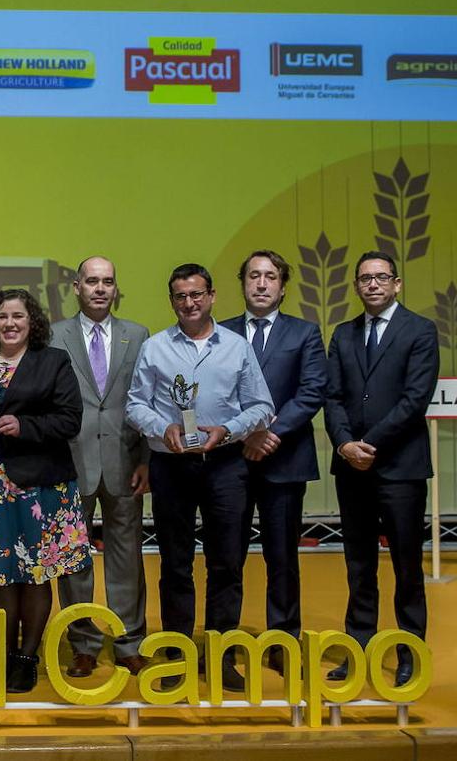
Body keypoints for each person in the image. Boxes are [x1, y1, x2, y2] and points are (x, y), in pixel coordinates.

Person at [126, 263, 273, 691]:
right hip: (171, 465)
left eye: (196, 294)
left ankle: (221, 654)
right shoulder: (155, 348)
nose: (189, 303)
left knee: (226, 562)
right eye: (180, 296)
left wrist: (228, 429)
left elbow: (262, 406)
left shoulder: (237, 347)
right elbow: (135, 405)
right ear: (171, 300)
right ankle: (177, 655)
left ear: (211, 297)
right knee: (175, 564)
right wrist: (162, 428)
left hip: (225, 465)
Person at [0, 288, 89, 694]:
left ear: (32, 322)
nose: (10, 324)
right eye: (2, 316)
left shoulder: (53, 361)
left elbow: (70, 420)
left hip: (40, 486)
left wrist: (25, 426)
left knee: (35, 574)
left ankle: (26, 659)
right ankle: (2, 657)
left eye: (18, 316)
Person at [325, 250, 438, 687]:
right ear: (356, 286)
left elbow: (415, 399)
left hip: (401, 468)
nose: (373, 284)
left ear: (397, 284)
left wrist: (367, 444)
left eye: (381, 277)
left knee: (407, 566)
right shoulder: (344, 333)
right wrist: (344, 444)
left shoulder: (420, 330)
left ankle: (410, 651)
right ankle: (359, 648)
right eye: (365, 278)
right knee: (359, 565)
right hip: (352, 468)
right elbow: (332, 397)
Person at [218, 251, 325, 674]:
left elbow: (311, 391)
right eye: (253, 276)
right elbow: (214, 393)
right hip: (230, 462)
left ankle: (283, 642)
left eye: (270, 276)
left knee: (282, 559)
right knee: (227, 558)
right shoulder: (220, 333)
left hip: (284, 460)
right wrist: (245, 433)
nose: (261, 284)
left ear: (282, 286)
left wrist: (268, 434)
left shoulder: (305, 333)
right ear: (242, 283)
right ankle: (223, 643)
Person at [51, 256, 151, 676]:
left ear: (115, 288)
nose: (100, 289)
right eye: (92, 281)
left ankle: (129, 642)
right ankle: (84, 643)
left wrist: (146, 459)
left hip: (125, 461)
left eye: (107, 282)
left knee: (127, 556)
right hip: (70, 463)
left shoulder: (137, 335)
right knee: (73, 558)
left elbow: (148, 399)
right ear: (76, 287)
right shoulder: (54, 336)